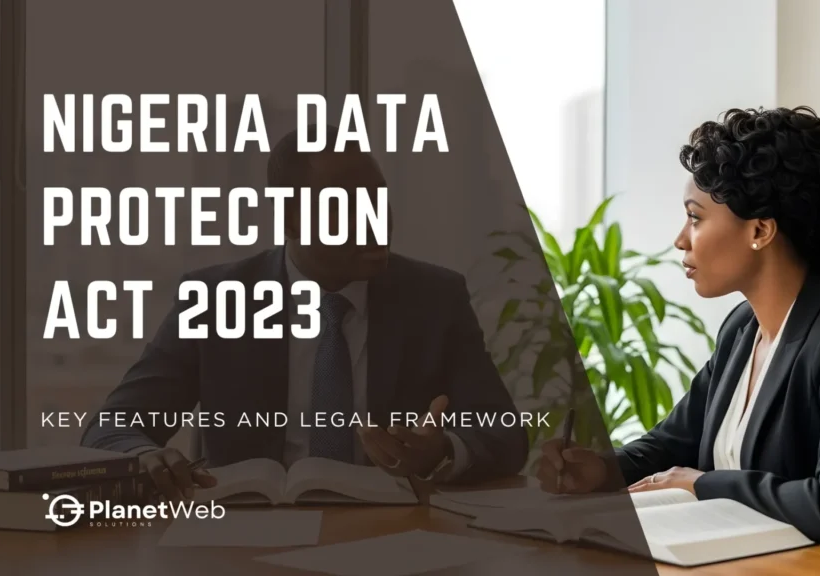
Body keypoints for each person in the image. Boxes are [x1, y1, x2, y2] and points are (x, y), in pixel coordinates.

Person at [536, 107, 820, 558]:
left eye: (695, 217)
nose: (681, 240)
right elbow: (674, 440)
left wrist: (705, 485)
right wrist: (601, 470)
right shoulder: (743, 327)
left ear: (760, 230)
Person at [82, 124, 529, 501]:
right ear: (290, 220)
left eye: (379, 198)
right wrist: (144, 455)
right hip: (243, 543)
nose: (377, 220)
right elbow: (111, 426)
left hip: (391, 537)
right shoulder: (216, 297)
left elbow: (506, 435)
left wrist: (440, 452)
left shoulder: (435, 297)